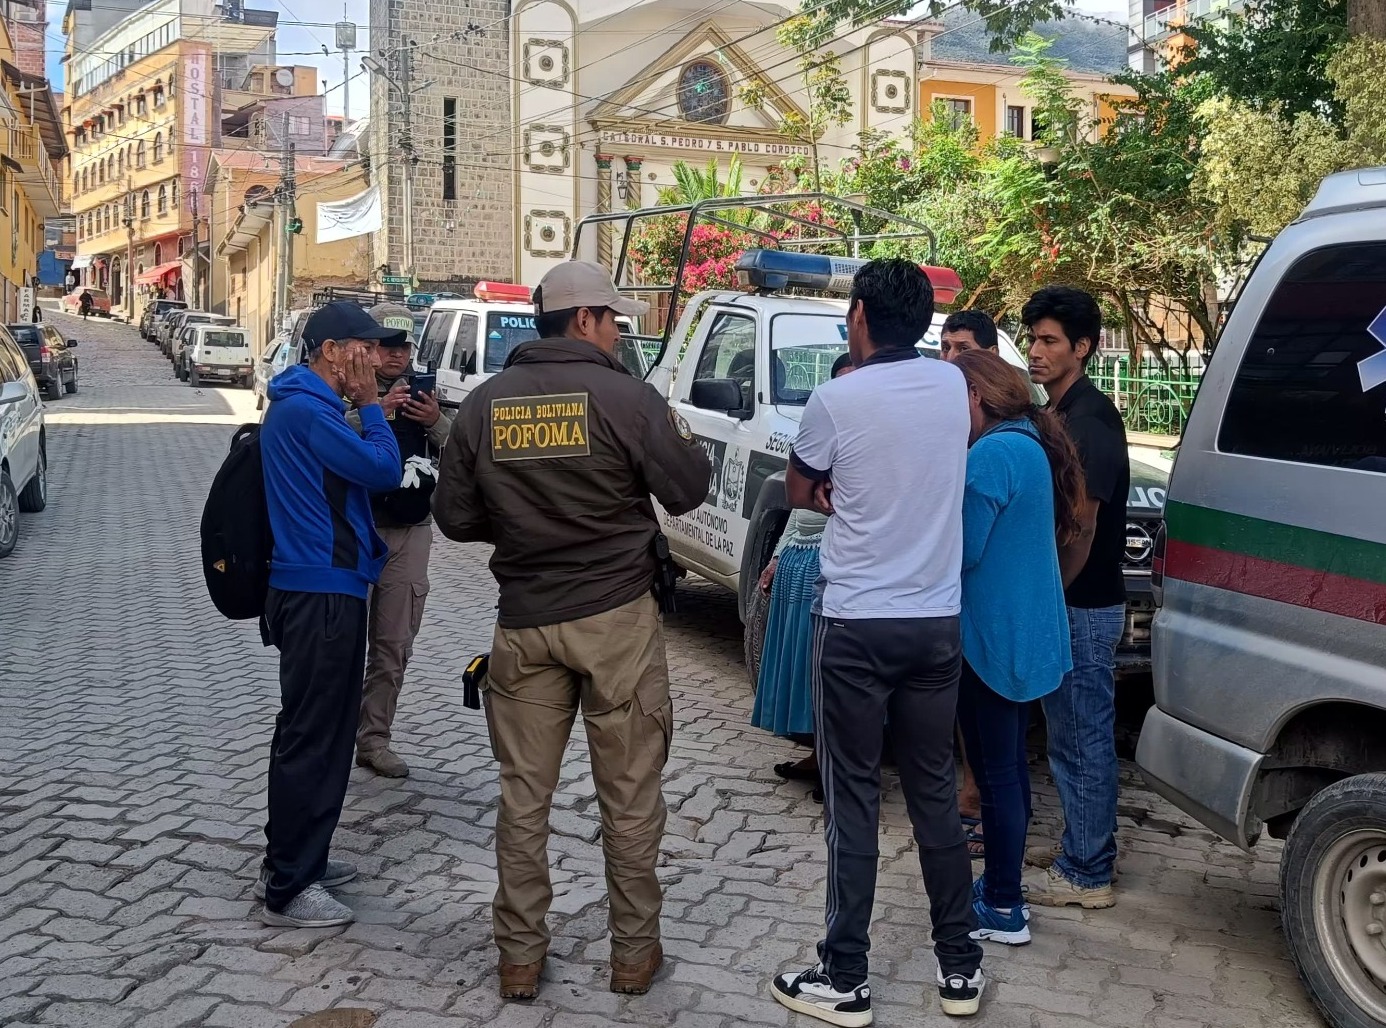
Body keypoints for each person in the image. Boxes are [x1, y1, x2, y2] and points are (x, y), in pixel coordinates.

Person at [432, 261, 710, 1001]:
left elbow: (455, 518)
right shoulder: (628, 397)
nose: (619, 332)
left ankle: (519, 959)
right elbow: (687, 491)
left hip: (524, 624)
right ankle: (632, 956)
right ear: (584, 320)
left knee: (523, 798)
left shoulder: (486, 404)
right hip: (616, 621)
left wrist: (520, 523)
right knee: (629, 796)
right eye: (614, 320)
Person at [771, 259, 985, 1026]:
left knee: (854, 796)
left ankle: (845, 976)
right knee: (933, 792)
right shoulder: (953, 388)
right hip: (935, 621)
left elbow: (800, 490)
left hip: (858, 622)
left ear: (859, 316)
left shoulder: (835, 397)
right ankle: (959, 966)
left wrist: (842, 492)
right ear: (924, 321)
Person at [255, 301, 407, 928]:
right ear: (330, 351)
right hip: (320, 592)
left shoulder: (307, 408)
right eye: (364, 348)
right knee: (315, 739)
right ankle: (290, 886)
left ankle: (297, 858)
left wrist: (364, 409)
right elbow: (384, 470)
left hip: (324, 586)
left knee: (313, 733)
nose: (374, 359)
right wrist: (372, 408)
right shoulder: (307, 412)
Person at [950, 349, 1082, 946]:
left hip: (992, 641)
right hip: (1023, 634)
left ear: (975, 398)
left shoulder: (992, 456)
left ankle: (1003, 904)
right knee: (1009, 771)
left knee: (998, 772)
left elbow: (962, 552)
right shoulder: (1028, 443)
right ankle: (1004, 889)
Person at [1022, 286, 1130, 910]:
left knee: (1082, 738)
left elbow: (1081, 527)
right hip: (1072, 603)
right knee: (1065, 736)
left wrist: (1049, 595)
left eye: (1049, 341)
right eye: (1033, 338)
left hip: (1083, 606)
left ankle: (1088, 871)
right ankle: (1079, 846)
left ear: (1082, 348)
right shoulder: (1060, 412)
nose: (1035, 351)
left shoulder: (1089, 419)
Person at [347, 302, 454, 779]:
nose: (396, 355)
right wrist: (372, 412)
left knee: (392, 645)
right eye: (386, 347)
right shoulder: (345, 392)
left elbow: (462, 455)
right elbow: (317, 440)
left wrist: (434, 421)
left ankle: (373, 740)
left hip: (410, 532)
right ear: (368, 350)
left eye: (403, 346)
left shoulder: (428, 394)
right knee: (341, 644)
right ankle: (329, 738)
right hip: (355, 530)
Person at [752, 353, 854, 795]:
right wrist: (777, 557)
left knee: (833, 675)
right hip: (799, 566)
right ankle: (816, 755)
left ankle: (837, 768)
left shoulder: (867, 441)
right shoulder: (819, 435)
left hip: (832, 568)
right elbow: (798, 507)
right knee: (803, 671)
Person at [938, 309, 1000, 853]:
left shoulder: (1000, 442)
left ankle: (981, 804)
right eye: (945, 347)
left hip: (987, 593)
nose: (951, 358)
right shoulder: (947, 416)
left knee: (989, 716)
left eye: (962, 348)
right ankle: (968, 790)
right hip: (957, 596)